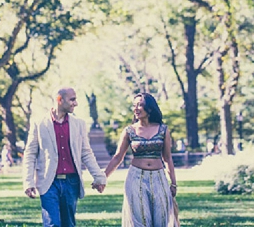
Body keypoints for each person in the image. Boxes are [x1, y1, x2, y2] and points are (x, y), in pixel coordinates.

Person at [22, 87, 107, 227]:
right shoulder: (39, 123)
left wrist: (99, 176)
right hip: (49, 182)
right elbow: (30, 154)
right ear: (59, 100)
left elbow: (86, 153)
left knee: (68, 224)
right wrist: (28, 182)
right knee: (52, 224)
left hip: (71, 183)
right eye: (72, 99)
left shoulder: (79, 124)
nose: (76, 103)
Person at [103, 92, 179, 227]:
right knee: (141, 219)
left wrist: (173, 183)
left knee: (162, 219)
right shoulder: (129, 131)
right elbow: (117, 157)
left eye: (140, 105)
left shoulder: (163, 130)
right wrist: (102, 178)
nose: (136, 109)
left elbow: (167, 157)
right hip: (136, 178)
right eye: (134, 106)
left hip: (159, 178)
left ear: (149, 109)